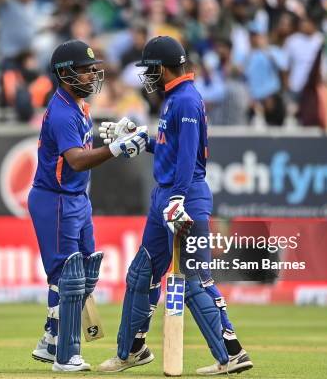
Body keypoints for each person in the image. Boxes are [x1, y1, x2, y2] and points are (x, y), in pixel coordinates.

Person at [98, 36, 253, 375]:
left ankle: (232, 353)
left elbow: (188, 157)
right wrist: (141, 140)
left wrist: (179, 197)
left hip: (185, 197)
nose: (148, 76)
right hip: (164, 195)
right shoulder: (174, 98)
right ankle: (132, 349)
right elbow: (171, 148)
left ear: (164, 68)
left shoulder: (185, 100)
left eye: (151, 69)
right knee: (142, 274)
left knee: (195, 278)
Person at [27, 39, 148, 372]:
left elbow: (81, 148)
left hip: (76, 198)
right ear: (65, 74)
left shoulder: (78, 105)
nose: (93, 75)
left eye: (94, 69)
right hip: (55, 200)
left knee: (86, 273)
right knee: (69, 277)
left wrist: (110, 135)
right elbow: (77, 161)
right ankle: (66, 356)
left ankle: (52, 339)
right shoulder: (63, 111)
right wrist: (117, 149)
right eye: (86, 70)